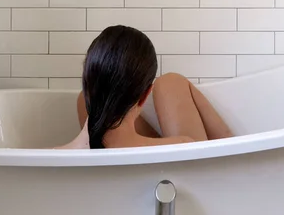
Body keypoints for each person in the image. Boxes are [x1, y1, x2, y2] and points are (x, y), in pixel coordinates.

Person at [56, 25, 232, 149]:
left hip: (102, 153)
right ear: (145, 94)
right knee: (171, 83)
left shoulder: (46, 157)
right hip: (177, 174)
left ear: (87, 83)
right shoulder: (183, 147)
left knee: (82, 101)